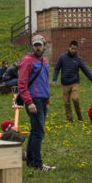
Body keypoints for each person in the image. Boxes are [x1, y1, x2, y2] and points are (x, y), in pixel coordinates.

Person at [18, 34, 54, 172]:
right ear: (32, 47)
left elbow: (45, 82)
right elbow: (22, 84)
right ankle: (38, 164)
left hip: (43, 99)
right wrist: (29, 102)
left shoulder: (45, 61)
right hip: (34, 99)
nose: (38, 48)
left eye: (40, 45)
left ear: (44, 46)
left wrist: (47, 101)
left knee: (35, 131)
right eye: (35, 45)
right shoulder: (27, 61)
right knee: (39, 132)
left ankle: (31, 161)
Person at [52, 40, 92, 122]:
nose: (73, 50)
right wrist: (54, 79)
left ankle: (79, 116)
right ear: (69, 47)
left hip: (74, 83)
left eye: (75, 49)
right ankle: (69, 119)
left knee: (75, 98)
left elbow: (85, 69)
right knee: (66, 103)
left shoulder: (78, 59)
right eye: (72, 48)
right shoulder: (62, 57)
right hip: (64, 84)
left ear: (77, 49)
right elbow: (57, 69)